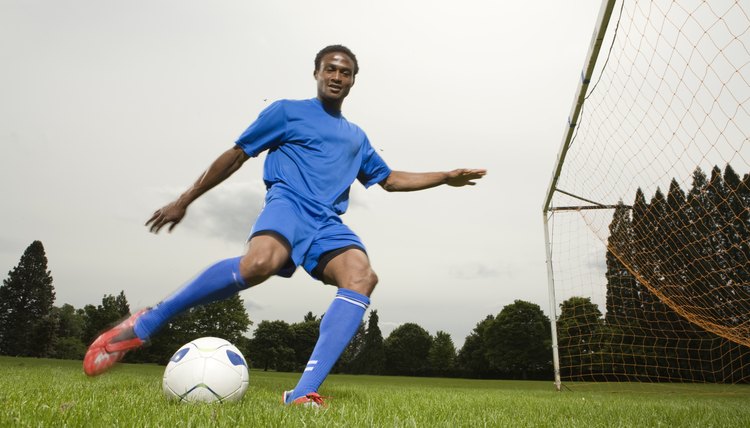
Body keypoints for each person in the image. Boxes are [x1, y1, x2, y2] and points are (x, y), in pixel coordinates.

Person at [83, 44, 486, 406]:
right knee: (260, 264)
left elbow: (391, 180)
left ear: (353, 82)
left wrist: (445, 176)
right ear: (316, 73)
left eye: (345, 73)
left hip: (327, 222)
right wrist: (184, 200)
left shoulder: (355, 136)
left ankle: (302, 393)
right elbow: (237, 154)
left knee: (362, 277)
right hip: (288, 204)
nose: (337, 77)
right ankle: (148, 321)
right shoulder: (286, 112)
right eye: (330, 69)